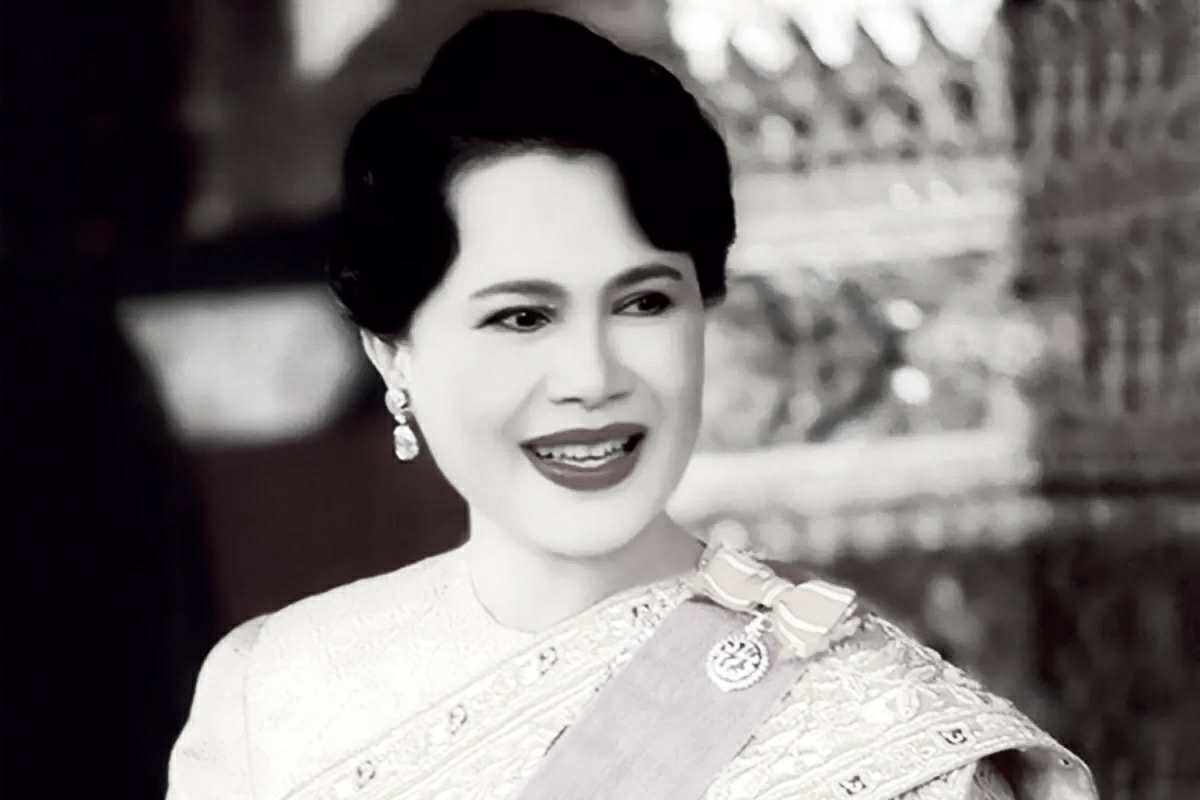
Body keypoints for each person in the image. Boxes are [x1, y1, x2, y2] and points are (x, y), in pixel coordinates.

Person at [167, 10, 1096, 799]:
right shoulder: (274, 691)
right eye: (522, 316)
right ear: (393, 353)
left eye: (643, 303)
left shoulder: (886, 738)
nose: (591, 374)